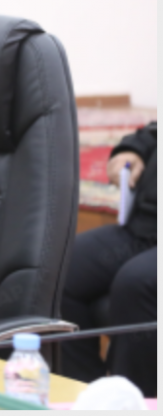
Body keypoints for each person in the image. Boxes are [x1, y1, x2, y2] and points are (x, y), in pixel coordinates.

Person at [62, 122, 156, 398]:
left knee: (136, 283)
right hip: (146, 226)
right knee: (63, 268)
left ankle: (134, 404)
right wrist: (134, 150)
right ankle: (82, 395)